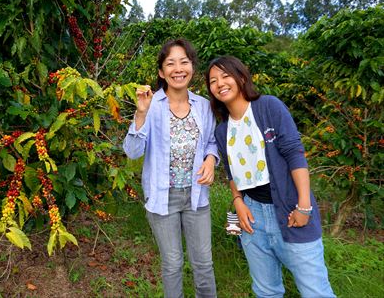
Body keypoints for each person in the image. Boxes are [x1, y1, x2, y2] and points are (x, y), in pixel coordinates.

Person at [206, 55, 335, 298]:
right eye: (213, 81)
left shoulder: (269, 107)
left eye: (225, 76)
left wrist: (304, 206)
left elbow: (295, 154)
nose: (219, 83)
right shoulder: (222, 130)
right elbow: (231, 173)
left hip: (289, 211)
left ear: (241, 77)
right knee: (266, 291)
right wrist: (238, 203)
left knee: (316, 292)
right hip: (251, 217)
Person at [123, 38, 218, 298]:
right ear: (161, 72)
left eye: (184, 62)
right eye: (171, 63)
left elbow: (212, 142)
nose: (178, 69)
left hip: (197, 197)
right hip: (163, 198)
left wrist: (211, 159)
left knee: (203, 264)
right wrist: (140, 114)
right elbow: (132, 152)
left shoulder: (203, 106)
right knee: (173, 263)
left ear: (192, 68)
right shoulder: (151, 106)